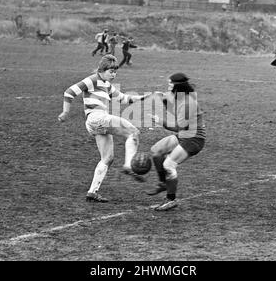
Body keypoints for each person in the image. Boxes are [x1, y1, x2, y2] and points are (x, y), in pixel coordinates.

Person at [58, 55, 151, 203]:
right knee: (133, 132)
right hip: (97, 118)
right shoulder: (92, 80)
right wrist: (65, 112)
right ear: (102, 69)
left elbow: (125, 99)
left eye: (115, 72)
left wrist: (148, 96)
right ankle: (128, 166)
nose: (113, 74)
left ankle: (92, 192)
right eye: (111, 71)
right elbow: (69, 92)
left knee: (107, 158)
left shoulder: (106, 85)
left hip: (95, 123)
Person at [147, 73, 206, 211]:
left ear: (177, 86)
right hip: (184, 135)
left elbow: (179, 126)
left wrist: (160, 121)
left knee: (168, 164)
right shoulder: (181, 98)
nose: (168, 85)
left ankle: (171, 199)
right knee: (157, 152)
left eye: (170, 83)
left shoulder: (187, 103)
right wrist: (164, 100)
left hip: (194, 139)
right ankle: (163, 183)